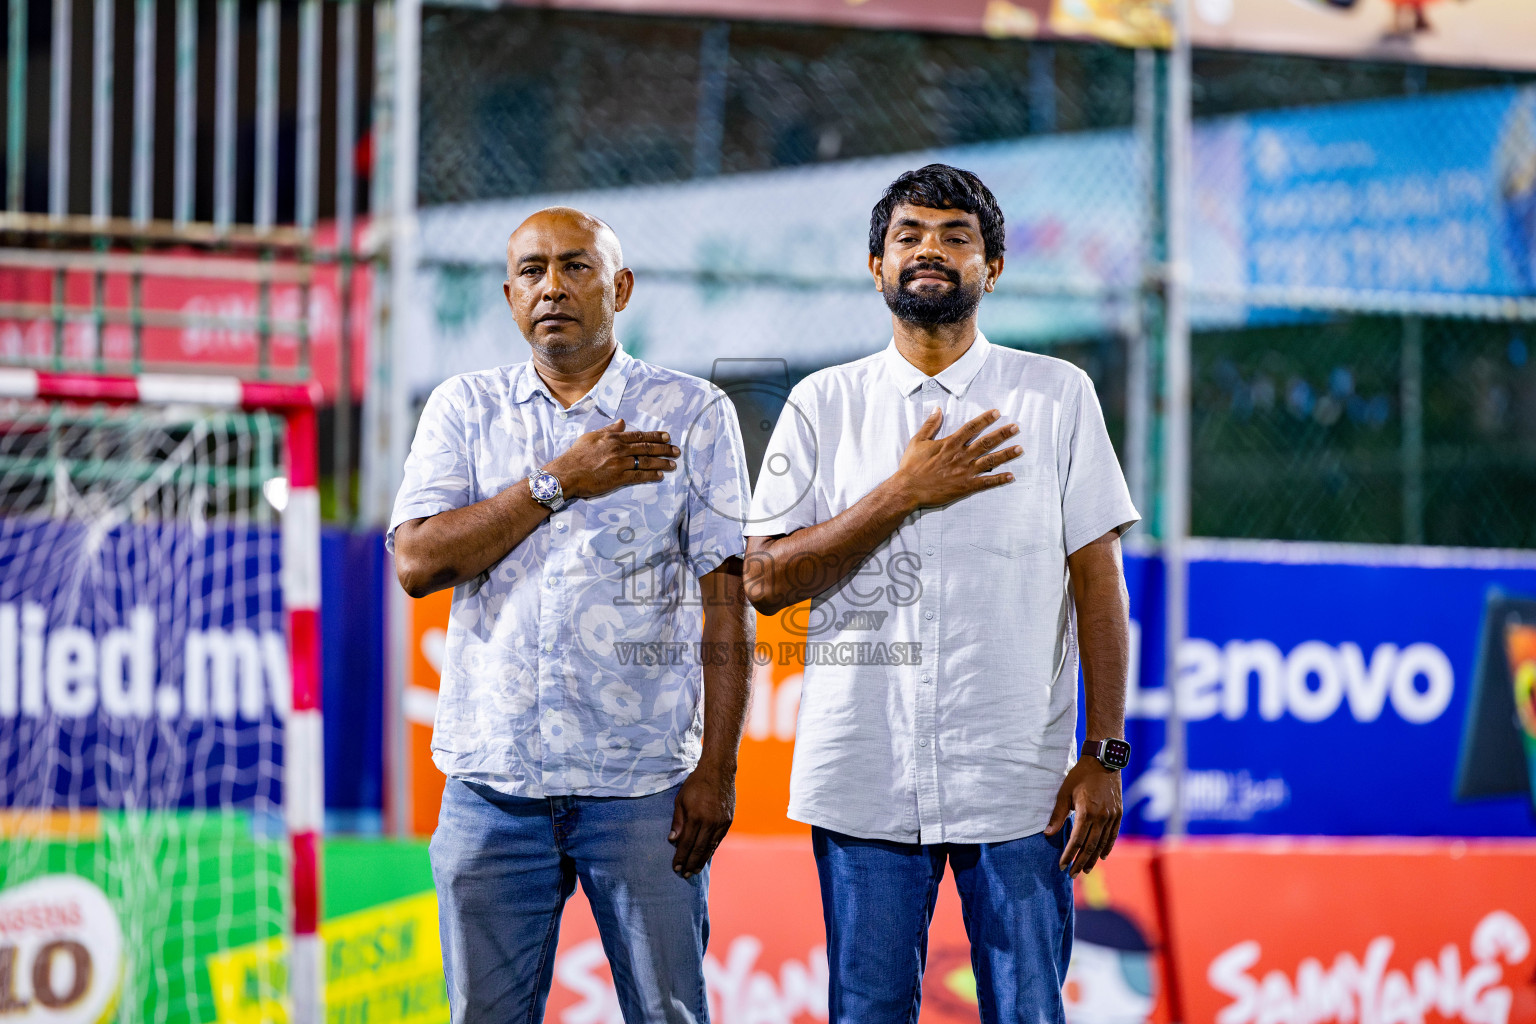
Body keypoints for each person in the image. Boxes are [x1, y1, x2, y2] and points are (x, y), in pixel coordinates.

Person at [743, 164, 1139, 1024]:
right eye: (909, 237)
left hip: (1018, 784)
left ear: (992, 268)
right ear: (876, 265)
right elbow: (767, 580)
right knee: (868, 1013)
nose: (931, 251)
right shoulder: (822, 403)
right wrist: (904, 491)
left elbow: (1099, 583)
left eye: (956, 237)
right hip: (863, 778)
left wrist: (1104, 754)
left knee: (1030, 1013)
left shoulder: (1057, 395)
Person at [389, 207, 753, 1024]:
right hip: (492, 787)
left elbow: (725, 605)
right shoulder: (464, 408)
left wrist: (718, 772)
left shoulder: (692, 413)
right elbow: (417, 562)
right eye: (532, 270)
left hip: (643, 790)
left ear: (619, 287)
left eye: (577, 266)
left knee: (671, 1015)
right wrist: (557, 482)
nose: (552, 285)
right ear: (510, 297)